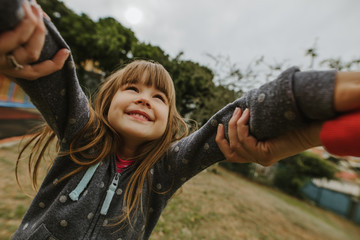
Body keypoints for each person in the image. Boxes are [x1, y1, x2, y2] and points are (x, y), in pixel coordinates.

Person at [1, 1, 360, 239]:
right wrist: (15, 20)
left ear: (168, 125)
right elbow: (55, 71)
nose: (145, 98)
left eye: (159, 97)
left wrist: (307, 93)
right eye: (132, 89)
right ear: (106, 101)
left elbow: (230, 119)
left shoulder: (165, 170)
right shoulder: (81, 135)